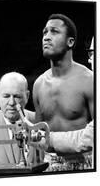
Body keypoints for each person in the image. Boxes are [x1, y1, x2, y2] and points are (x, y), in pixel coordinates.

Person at [32, 14, 93, 170]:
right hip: (47, 165)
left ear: (70, 41)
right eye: (45, 32)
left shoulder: (89, 80)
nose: (46, 37)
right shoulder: (39, 84)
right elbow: (38, 137)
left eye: (54, 31)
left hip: (84, 165)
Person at [0, 72, 41, 167]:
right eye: (6, 96)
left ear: (27, 96)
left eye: (17, 96)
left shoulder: (40, 122)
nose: (11, 102)